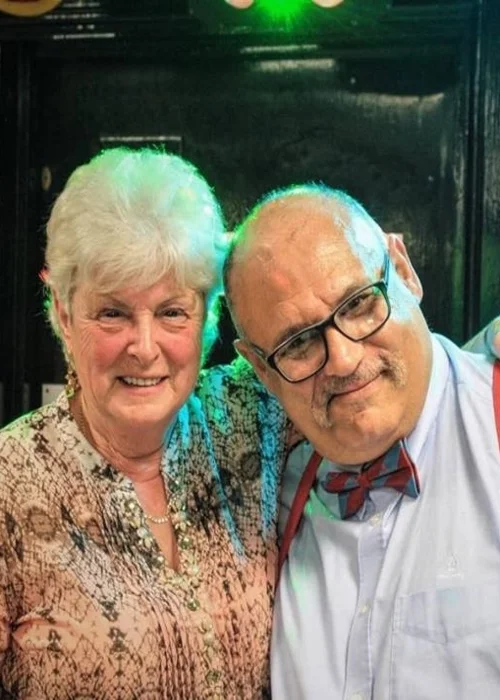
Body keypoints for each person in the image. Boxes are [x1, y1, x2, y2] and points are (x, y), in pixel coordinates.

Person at [0, 147, 290, 699]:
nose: (144, 346)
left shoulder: (251, 410)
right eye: (112, 313)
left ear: (207, 317)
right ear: (63, 312)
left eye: (172, 312)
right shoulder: (8, 482)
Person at [223, 184, 500, 699]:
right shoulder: (270, 496)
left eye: (358, 304)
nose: (344, 359)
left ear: (404, 270)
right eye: (298, 343)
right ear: (262, 368)